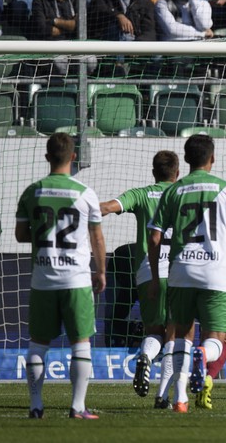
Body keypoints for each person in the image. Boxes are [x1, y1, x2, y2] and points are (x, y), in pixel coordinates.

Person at [147, 134, 226, 415]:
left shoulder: (173, 191)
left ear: (185, 160)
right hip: (217, 272)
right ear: (213, 158)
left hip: (182, 272)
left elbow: (154, 239)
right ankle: (205, 354)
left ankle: (180, 400)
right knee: (213, 338)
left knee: (180, 336)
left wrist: (155, 278)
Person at [15, 133, 106, 420]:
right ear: (73, 157)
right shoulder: (85, 192)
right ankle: (78, 407)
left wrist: (45, 237)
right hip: (76, 279)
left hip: (42, 277)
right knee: (81, 342)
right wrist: (101, 271)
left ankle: (35, 405)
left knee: (38, 343)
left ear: (46, 156)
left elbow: (20, 235)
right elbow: (97, 237)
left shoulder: (32, 191)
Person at [99, 151, 179, 406]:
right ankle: (162, 395)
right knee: (174, 337)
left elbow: (108, 207)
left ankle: (145, 355)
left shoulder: (141, 194)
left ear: (154, 172)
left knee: (154, 331)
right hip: (179, 271)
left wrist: (84, 208)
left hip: (148, 271)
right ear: (177, 174)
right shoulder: (184, 194)